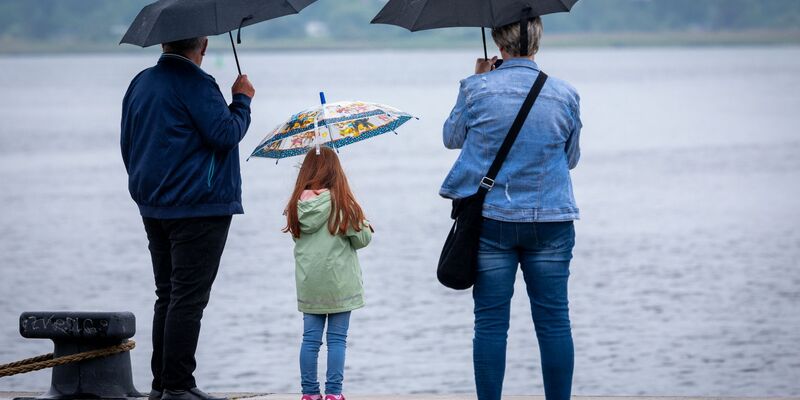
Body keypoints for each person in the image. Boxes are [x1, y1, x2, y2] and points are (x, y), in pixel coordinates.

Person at [439, 17, 582, 400]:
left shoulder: (476, 89)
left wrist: (475, 80)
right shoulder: (565, 94)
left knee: (489, 324)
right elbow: (571, 158)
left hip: (493, 221)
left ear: (499, 45)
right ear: (537, 43)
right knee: (554, 323)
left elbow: (451, 138)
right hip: (551, 219)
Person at [120, 36, 255, 400]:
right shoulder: (197, 83)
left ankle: (161, 385)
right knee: (188, 299)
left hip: (154, 205)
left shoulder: (140, 82)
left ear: (163, 42)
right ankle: (178, 386)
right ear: (204, 44)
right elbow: (225, 134)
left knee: (167, 294)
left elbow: (127, 144)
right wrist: (241, 100)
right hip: (199, 205)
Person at [283, 147, 373, 400]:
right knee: (337, 340)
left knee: (310, 340)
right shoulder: (342, 203)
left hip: (309, 282)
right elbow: (362, 240)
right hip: (340, 283)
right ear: (336, 172)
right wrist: (362, 220)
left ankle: (309, 394)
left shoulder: (296, 205)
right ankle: (334, 393)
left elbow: (296, 236)